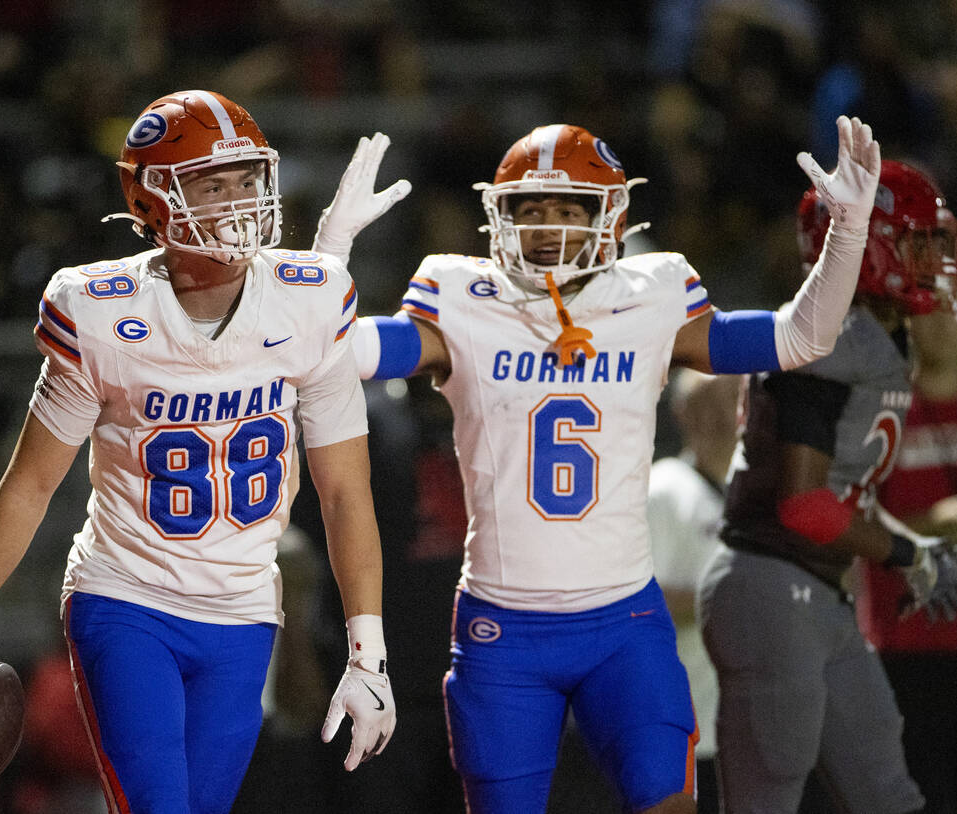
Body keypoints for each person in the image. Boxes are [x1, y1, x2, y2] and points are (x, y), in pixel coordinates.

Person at [311, 116, 881, 813]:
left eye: (570, 208)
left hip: (623, 624)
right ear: (501, 218)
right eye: (532, 208)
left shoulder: (651, 292)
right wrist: (330, 255)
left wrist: (849, 231)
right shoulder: (462, 297)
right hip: (503, 627)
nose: (550, 224)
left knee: (670, 805)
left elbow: (800, 337)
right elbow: (339, 352)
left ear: (607, 218)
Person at [0, 90, 398, 814]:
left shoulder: (314, 299)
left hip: (243, 612)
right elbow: (30, 486)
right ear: (153, 199)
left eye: (245, 180)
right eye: (211, 184)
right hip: (127, 598)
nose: (236, 203)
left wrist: (369, 654)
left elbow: (345, 493)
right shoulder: (102, 312)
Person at [698, 160, 957, 813]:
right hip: (770, 583)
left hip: (820, 591)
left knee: (889, 791)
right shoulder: (823, 339)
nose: (935, 259)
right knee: (767, 797)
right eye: (918, 242)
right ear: (871, 244)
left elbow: (848, 497)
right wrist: (908, 553)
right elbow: (804, 505)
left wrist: (916, 549)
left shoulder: (879, 336)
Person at [857, 278, 957, 813]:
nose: (943, 325)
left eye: (954, 312)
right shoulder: (885, 408)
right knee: (920, 797)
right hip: (907, 645)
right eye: (928, 313)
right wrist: (935, 521)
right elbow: (851, 514)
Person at [646, 369, 741, 814]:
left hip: (750, 726)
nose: (725, 415)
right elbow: (643, 604)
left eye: (734, 399)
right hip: (684, 724)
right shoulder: (663, 488)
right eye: (710, 402)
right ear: (682, 413)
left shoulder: (763, 491)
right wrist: (740, 596)